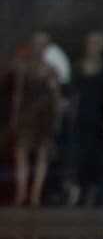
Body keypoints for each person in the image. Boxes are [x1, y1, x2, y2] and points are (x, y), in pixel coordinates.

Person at [10, 34, 63, 207]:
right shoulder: (24, 69)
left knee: (42, 153)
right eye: (36, 44)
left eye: (42, 45)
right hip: (27, 116)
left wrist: (56, 118)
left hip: (44, 116)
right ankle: (22, 192)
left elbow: (56, 97)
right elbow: (18, 95)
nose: (38, 48)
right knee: (22, 152)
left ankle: (35, 194)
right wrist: (15, 118)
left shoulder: (51, 70)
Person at [66, 31, 103, 207]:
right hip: (82, 116)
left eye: (96, 43)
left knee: (96, 157)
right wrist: (71, 114)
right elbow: (74, 94)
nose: (92, 47)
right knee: (78, 155)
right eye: (90, 43)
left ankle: (92, 194)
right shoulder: (79, 66)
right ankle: (77, 190)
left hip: (98, 118)